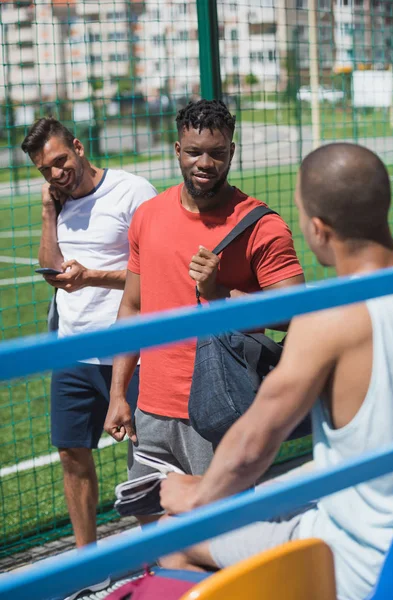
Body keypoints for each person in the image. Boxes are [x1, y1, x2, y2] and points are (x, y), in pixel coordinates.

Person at [159, 143, 393, 600]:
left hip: (359, 556)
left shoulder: (330, 316)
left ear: (318, 228)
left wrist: (196, 496)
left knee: (174, 538)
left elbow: (254, 443)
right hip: (381, 533)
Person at [105, 100, 304, 524]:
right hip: (149, 410)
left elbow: (294, 313)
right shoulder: (148, 216)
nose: (205, 163)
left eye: (217, 153)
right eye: (195, 152)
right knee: (153, 532)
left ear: (232, 152)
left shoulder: (260, 224)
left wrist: (219, 293)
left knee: (223, 536)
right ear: (177, 150)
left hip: (220, 409)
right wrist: (119, 392)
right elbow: (133, 306)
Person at [21, 118, 157, 551]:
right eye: (46, 169)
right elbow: (51, 270)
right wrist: (48, 210)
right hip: (74, 347)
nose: (57, 173)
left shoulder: (132, 191)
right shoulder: (58, 202)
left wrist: (93, 276)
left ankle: (158, 552)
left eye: (61, 160)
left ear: (78, 147)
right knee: (71, 454)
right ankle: (87, 562)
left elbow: (154, 274)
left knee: (148, 456)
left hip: (131, 348)